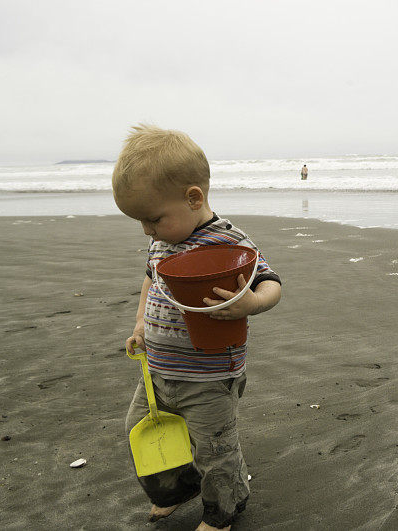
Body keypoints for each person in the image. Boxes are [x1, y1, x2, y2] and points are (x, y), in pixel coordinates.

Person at [111, 124, 282, 530]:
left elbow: (271, 282)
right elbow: (152, 279)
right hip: (158, 371)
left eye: (153, 218)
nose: (147, 230)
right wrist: (140, 323)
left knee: (215, 449)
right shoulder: (162, 242)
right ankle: (176, 490)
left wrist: (252, 303)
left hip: (208, 375)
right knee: (140, 429)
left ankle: (223, 509)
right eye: (141, 222)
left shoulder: (230, 242)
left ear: (194, 198)